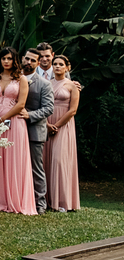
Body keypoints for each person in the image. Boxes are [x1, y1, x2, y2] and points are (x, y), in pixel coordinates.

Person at [0, 47, 36, 214]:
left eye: (9, 58)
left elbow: (21, 104)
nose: (6, 61)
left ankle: (14, 199)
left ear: (14, 60)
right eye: (3, 58)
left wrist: (3, 119)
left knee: (13, 158)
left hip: (14, 122)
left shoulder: (21, 79)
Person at [20, 47, 54, 215]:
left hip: (34, 130)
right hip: (14, 130)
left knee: (36, 168)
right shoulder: (13, 79)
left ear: (38, 63)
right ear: (22, 58)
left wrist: (29, 115)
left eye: (33, 60)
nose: (29, 62)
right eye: (27, 59)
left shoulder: (44, 84)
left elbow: (49, 108)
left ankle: (40, 203)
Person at [45, 55, 80, 212]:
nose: (57, 66)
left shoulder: (72, 86)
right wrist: (46, 124)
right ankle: (48, 200)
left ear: (68, 67)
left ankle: (63, 201)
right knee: (47, 160)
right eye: (55, 64)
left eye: (61, 64)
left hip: (63, 125)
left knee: (59, 160)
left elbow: (73, 110)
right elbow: (42, 104)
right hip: (47, 123)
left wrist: (56, 126)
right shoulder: (47, 84)